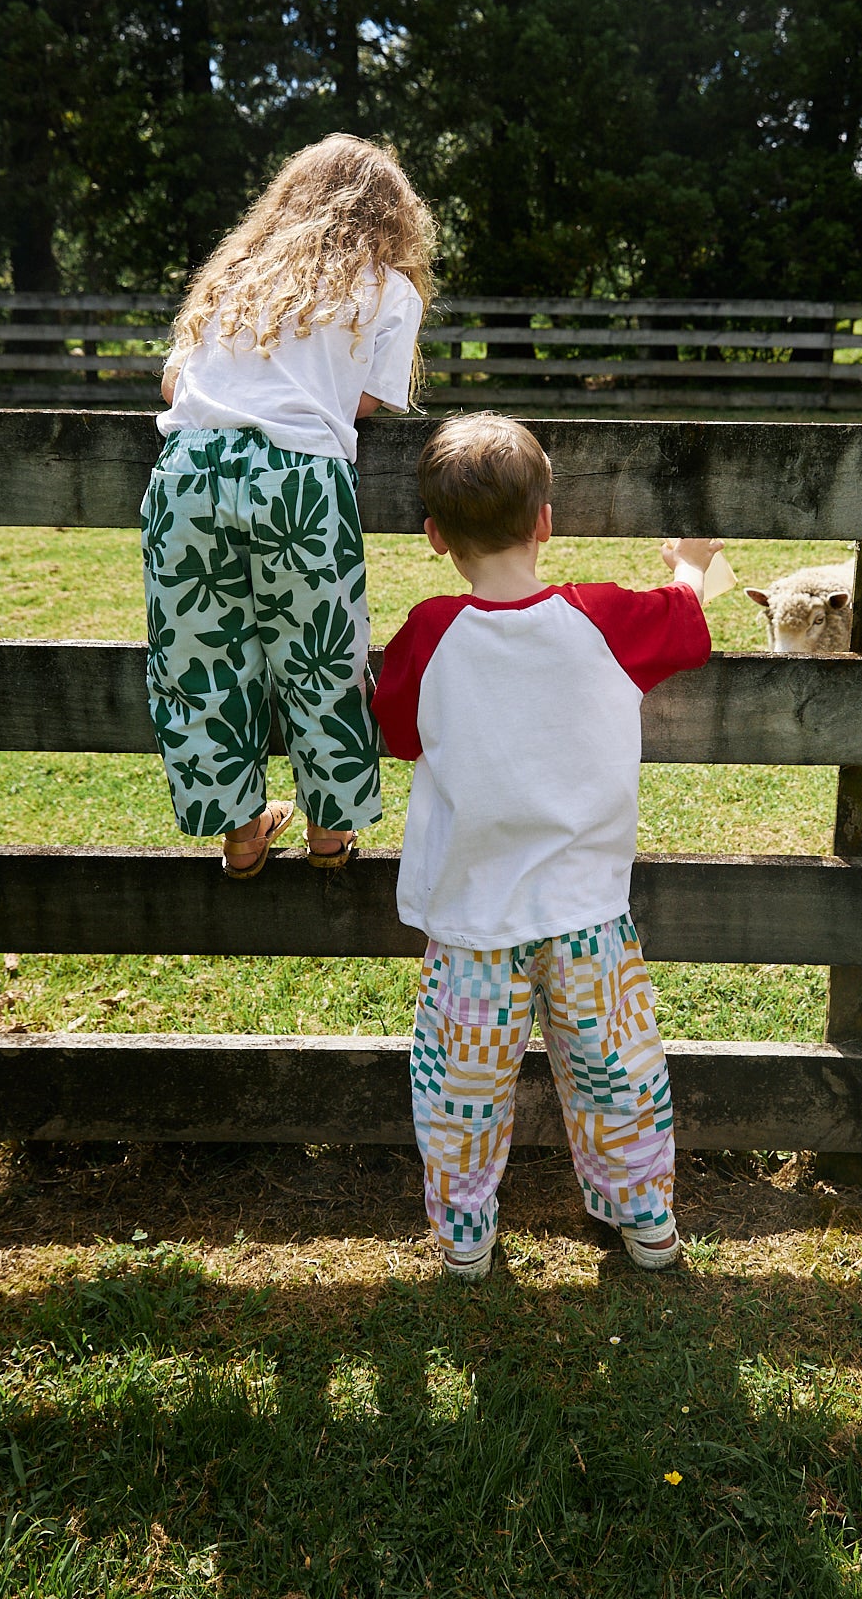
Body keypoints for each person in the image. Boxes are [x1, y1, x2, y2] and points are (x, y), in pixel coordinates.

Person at [371, 413, 721, 1278]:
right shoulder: (602, 616)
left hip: (471, 921)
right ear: (546, 523)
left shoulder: (429, 632)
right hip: (587, 916)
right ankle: (646, 1222)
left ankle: (464, 1238)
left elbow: (398, 732)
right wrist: (689, 560)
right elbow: (687, 620)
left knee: (461, 1091)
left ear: (433, 536)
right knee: (617, 1075)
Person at [142, 134, 435, 878]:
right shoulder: (389, 290)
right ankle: (330, 835)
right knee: (321, 659)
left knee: (199, 660)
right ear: (393, 216)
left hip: (190, 474)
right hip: (298, 480)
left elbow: (174, 384)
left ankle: (241, 834)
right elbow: (364, 402)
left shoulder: (235, 274)